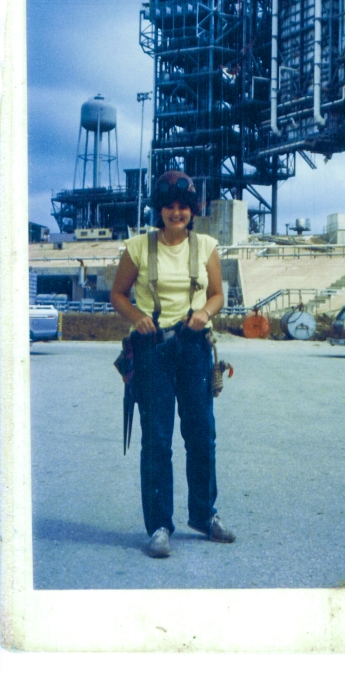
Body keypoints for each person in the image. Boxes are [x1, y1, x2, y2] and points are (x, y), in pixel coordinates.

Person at [110, 170, 235, 558]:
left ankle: (204, 515)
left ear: (193, 210)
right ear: (159, 209)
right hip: (153, 350)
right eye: (169, 206)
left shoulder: (206, 246)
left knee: (201, 436)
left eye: (183, 207)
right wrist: (136, 318)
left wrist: (203, 313)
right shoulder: (137, 247)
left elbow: (217, 296)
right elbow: (118, 294)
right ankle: (160, 526)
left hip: (193, 346)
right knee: (157, 439)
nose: (176, 213)